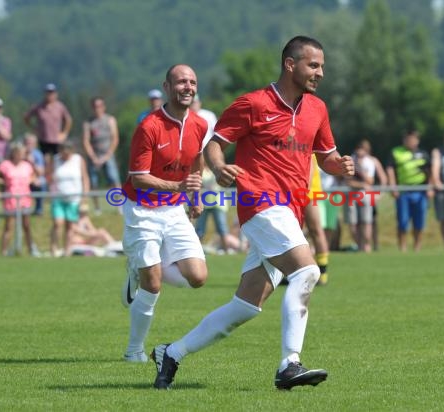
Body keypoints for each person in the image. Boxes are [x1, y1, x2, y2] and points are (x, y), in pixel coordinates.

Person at [150, 36, 354, 391]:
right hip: (260, 203)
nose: (320, 73)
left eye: (322, 66)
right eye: (313, 65)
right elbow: (215, 144)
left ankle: (172, 353)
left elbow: (326, 158)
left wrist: (341, 164)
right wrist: (221, 166)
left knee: (246, 306)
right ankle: (289, 364)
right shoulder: (253, 104)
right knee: (306, 271)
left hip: (290, 210)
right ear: (290, 64)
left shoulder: (317, 109)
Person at [120, 64, 208, 363]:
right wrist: (179, 185)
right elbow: (138, 177)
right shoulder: (149, 126)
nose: (188, 87)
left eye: (192, 82)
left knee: (197, 277)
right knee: (153, 284)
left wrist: (195, 196)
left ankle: (140, 269)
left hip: (173, 209)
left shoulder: (199, 124)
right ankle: (134, 351)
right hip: (142, 209)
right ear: (167, 87)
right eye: (181, 81)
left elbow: (197, 161)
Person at [47, 140, 89, 257]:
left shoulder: (78, 160)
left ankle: (67, 250)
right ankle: (53, 248)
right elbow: (49, 176)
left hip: (74, 198)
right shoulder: (55, 160)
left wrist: (84, 197)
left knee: (70, 225)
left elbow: (85, 178)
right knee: (57, 223)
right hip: (58, 197)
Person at [0, 142, 38, 256]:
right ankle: (4, 252)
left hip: (24, 198)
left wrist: (31, 180)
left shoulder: (26, 165)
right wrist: (3, 182)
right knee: (8, 226)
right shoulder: (6, 164)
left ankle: (31, 249)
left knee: (27, 225)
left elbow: (35, 175)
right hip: (11, 199)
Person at [82, 96, 121, 214]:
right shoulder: (88, 123)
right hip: (94, 155)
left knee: (114, 179)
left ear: (103, 107)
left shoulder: (110, 120)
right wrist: (93, 157)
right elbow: (85, 141)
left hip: (108, 154)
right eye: (95, 106)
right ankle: (97, 207)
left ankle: (119, 206)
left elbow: (115, 139)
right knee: (93, 182)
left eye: (99, 106)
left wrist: (108, 155)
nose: (97, 108)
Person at [344, 139, 381, 253]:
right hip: (351, 194)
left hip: (365, 195)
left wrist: (360, 168)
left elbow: (370, 180)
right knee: (353, 222)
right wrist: (362, 184)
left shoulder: (369, 162)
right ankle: (358, 245)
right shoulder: (350, 160)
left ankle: (366, 245)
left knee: (366, 221)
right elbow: (348, 181)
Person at [24, 83, 73, 157]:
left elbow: (68, 120)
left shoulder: (60, 106)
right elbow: (26, 117)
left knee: (57, 159)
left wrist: (64, 133)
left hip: (56, 140)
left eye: (52, 93)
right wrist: (34, 129)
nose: (50, 95)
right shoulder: (39, 107)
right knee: (44, 160)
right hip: (43, 139)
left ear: (56, 94)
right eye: (48, 93)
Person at [304, 156, 330, 285]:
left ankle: (323, 273)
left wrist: (303, 190)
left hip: (308, 192)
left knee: (316, 230)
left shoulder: (305, 144)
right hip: (297, 192)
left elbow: (309, 167)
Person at [195, 164, 231, 254]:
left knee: (222, 227)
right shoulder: (199, 169)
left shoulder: (218, 167)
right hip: (204, 202)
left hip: (218, 202)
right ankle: (196, 251)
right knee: (200, 228)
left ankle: (226, 250)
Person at [23, 133, 46, 215]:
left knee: (42, 182)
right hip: (21, 178)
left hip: (34, 177)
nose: (29, 145)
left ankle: (39, 209)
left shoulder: (38, 154)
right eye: (27, 143)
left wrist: (32, 162)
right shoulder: (19, 153)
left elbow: (41, 172)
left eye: (31, 143)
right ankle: (23, 208)